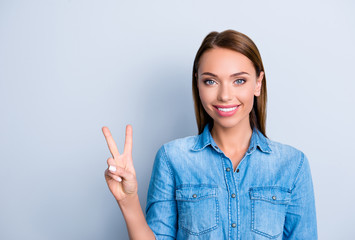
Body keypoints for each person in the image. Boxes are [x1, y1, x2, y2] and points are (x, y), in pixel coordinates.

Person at [102, 30, 318, 240]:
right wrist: (128, 201)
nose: (225, 95)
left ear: (258, 83)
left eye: (239, 80)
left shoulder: (292, 164)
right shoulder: (172, 158)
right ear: (198, 84)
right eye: (211, 81)